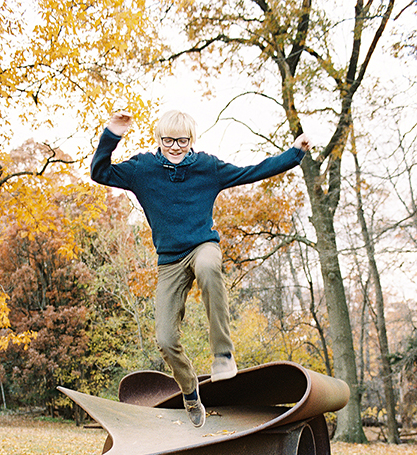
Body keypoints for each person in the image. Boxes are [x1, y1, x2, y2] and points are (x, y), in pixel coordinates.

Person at [91, 109, 311, 428]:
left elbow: (251, 171)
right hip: (169, 261)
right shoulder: (143, 169)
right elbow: (100, 172)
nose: (175, 147)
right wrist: (111, 134)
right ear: (159, 139)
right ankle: (190, 391)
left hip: (202, 245)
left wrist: (295, 154)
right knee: (165, 339)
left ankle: (223, 354)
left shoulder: (207, 167)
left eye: (182, 140)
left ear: (191, 140)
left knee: (209, 265)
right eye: (168, 140)